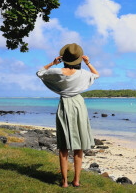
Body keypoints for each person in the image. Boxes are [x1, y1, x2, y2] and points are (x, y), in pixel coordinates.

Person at [36, 43, 99, 188]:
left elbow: (39, 72)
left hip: (64, 105)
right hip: (78, 105)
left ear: (64, 58)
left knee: (63, 147)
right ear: (78, 59)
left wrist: (53, 62)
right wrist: (88, 63)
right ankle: (76, 180)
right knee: (79, 147)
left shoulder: (57, 72)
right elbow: (96, 75)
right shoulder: (83, 74)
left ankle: (64, 182)